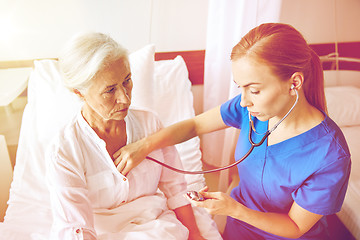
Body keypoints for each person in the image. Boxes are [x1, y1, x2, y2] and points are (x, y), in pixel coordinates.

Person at [113, 23, 351, 239]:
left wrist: (234, 209)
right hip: (238, 229)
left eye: (254, 90)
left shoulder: (329, 155)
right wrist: (144, 146)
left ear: (294, 83)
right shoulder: (251, 110)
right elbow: (194, 125)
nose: (244, 101)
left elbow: (295, 226)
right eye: (241, 88)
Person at [46, 32, 210, 239]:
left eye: (127, 81)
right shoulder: (65, 149)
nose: (124, 98)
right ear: (79, 92)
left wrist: (195, 234)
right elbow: (75, 226)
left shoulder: (150, 124)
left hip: (156, 227)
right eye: (110, 90)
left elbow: (175, 188)